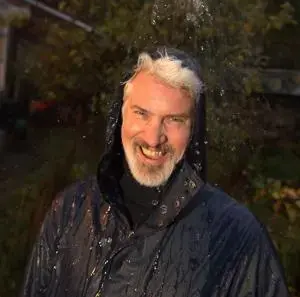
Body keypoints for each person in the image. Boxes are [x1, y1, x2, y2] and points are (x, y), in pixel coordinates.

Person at [20, 47, 290, 297]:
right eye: (142, 113)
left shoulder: (236, 236)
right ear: (121, 117)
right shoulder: (70, 210)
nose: (153, 137)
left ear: (193, 129)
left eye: (174, 120)